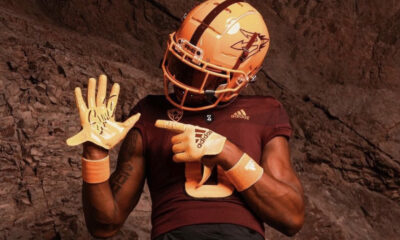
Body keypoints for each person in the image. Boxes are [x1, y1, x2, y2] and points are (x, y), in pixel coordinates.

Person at [66, 0, 305, 239]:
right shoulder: (149, 112)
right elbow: (104, 225)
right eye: (182, 64)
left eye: (201, 74)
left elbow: (291, 217)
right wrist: (95, 153)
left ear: (239, 79)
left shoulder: (264, 111)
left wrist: (227, 153)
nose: (182, 81)